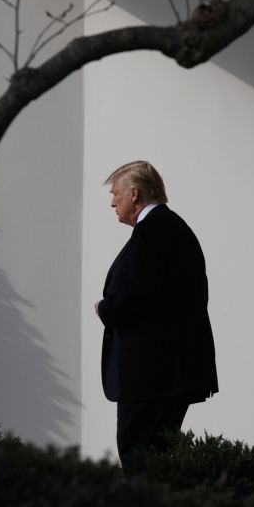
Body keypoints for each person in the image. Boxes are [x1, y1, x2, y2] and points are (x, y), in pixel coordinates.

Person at [93, 160, 219, 471]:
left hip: (152, 377)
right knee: (157, 461)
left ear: (134, 194)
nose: (112, 202)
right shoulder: (169, 228)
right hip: (166, 374)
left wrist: (104, 308)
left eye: (116, 194)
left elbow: (137, 295)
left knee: (139, 459)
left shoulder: (154, 232)